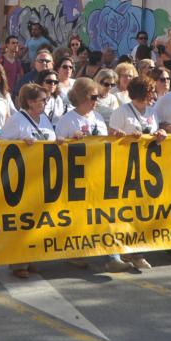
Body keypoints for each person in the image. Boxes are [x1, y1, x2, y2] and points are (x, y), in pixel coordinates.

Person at [55, 78, 133, 273]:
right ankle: (75, 253)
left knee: (106, 213)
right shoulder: (68, 119)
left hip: (98, 172)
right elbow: (56, 146)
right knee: (79, 216)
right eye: (93, 97)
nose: (96, 100)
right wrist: (69, 141)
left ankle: (113, 256)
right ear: (81, 96)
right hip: (76, 176)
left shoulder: (97, 117)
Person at [0, 83, 56, 277]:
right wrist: (20, 144)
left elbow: (51, 139)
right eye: (42, 100)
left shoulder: (44, 119)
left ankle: (31, 257)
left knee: (37, 220)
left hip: (42, 176)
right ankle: (18, 263)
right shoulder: (16, 120)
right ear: (30, 102)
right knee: (21, 221)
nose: (45, 103)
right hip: (21, 178)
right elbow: (1, 145)